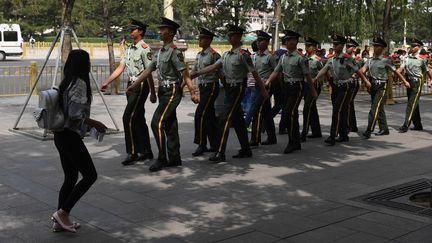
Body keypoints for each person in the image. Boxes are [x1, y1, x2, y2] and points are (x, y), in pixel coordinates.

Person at [126, 17, 199, 172]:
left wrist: (193, 92)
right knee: (170, 124)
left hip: (172, 90)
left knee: (156, 122)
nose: (159, 31)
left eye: (163, 29)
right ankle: (175, 157)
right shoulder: (160, 52)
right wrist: (134, 85)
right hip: (163, 91)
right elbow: (148, 70)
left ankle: (162, 158)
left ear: (171, 32)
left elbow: (185, 73)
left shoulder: (174, 52)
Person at [191, 24, 268, 162]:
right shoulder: (226, 54)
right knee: (238, 121)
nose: (229, 38)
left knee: (224, 119)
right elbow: (214, 67)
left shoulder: (243, 55)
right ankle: (246, 149)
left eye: (231, 35)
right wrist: (196, 73)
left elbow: (254, 73)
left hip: (238, 88)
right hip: (229, 88)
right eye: (229, 35)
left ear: (238, 37)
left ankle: (220, 152)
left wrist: (263, 90)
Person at [51, 49, 107, 233]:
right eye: (88, 61)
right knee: (90, 175)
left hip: (60, 135)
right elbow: (75, 115)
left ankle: (59, 220)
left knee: (71, 177)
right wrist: (96, 123)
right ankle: (63, 212)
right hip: (69, 136)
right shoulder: (79, 83)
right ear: (84, 64)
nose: (90, 64)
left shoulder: (67, 81)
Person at [101, 19, 155, 166]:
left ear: (141, 31)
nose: (131, 32)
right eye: (131, 29)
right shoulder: (129, 49)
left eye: (134, 29)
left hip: (140, 84)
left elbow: (149, 71)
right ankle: (146, 151)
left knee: (127, 117)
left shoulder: (144, 48)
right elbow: (121, 68)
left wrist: (153, 91)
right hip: (131, 84)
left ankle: (132, 152)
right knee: (138, 117)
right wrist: (107, 81)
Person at [265, 30, 318, 154]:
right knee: (292, 114)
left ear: (295, 42)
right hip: (286, 86)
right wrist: (267, 82)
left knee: (288, 113)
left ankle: (292, 142)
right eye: (286, 41)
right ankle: (296, 142)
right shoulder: (283, 57)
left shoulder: (301, 58)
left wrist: (313, 91)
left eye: (290, 40)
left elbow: (308, 76)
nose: (287, 43)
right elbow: (276, 71)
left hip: (297, 87)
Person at [313, 34, 370, 146]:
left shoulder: (347, 59)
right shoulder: (332, 59)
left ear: (342, 46)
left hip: (346, 87)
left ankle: (333, 135)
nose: (334, 46)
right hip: (336, 87)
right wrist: (315, 78)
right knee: (342, 110)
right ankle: (343, 135)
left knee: (337, 110)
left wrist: (366, 81)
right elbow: (324, 70)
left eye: (337, 44)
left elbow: (357, 71)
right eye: (333, 44)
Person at [360, 37, 409, 139]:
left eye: (377, 46)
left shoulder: (386, 61)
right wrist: (359, 77)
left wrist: (404, 81)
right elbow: (362, 70)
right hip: (372, 86)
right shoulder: (369, 61)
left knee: (374, 108)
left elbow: (396, 72)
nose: (375, 48)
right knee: (379, 107)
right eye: (374, 46)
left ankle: (369, 130)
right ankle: (384, 128)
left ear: (382, 48)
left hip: (382, 85)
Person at [191, 27, 221, 156]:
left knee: (200, 114)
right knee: (209, 117)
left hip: (211, 86)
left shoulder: (215, 55)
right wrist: (182, 85)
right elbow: (193, 72)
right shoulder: (199, 55)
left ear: (209, 40)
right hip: (203, 87)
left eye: (202, 38)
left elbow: (219, 72)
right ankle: (215, 144)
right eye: (199, 38)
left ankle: (201, 144)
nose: (199, 40)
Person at [397, 38, 432, 133]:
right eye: (411, 46)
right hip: (409, 82)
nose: (411, 48)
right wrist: (403, 80)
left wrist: (430, 79)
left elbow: (428, 71)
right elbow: (399, 71)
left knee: (411, 103)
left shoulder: (422, 60)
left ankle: (405, 125)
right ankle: (418, 125)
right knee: (413, 103)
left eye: (414, 46)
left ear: (418, 47)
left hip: (418, 82)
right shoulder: (406, 58)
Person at [249, 30, 277, 147]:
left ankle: (255, 139)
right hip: (256, 85)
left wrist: (276, 86)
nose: (259, 42)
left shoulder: (270, 57)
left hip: (266, 85)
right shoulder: (254, 56)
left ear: (267, 42)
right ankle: (272, 137)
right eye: (258, 40)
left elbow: (277, 71)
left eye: (261, 40)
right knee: (266, 112)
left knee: (257, 110)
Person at [301, 36, 324, 142]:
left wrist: (319, 80)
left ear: (314, 48)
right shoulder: (303, 58)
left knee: (307, 108)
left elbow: (324, 71)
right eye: (306, 45)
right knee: (312, 108)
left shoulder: (317, 60)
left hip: (315, 86)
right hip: (305, 85)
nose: (307, 47)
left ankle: (304, 132)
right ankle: (317, 131)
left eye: (309, 46)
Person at [345, 37, 362, 133]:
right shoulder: (344, 58)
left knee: (348, 103)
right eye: (347, 46)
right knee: (349, 104)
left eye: (350, 46)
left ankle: (348, 126)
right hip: (346, 83)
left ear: (354, 48)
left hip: (353, 83)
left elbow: (358, 71)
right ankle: (352, 126)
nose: (347, 48)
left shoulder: (357, 59)